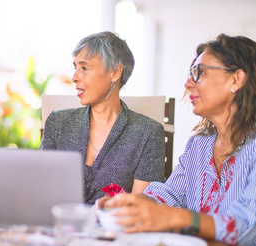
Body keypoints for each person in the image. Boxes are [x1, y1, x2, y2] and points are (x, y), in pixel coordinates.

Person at [99, 34, 256, 246]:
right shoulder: (199, 145)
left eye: (199, 72)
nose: (188, 83)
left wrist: (174, 218)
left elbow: (243, 226)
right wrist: (132, 203)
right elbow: (172, 195)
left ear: (236, 79)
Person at [40, 31, 165, 205]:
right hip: (58, 226)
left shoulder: (148, 133)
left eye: (84, 68)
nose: (75, 77)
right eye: (75, 67)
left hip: (113, 230)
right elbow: (41, 189)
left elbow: (140, 208)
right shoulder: (58, 122)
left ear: (114, 72)